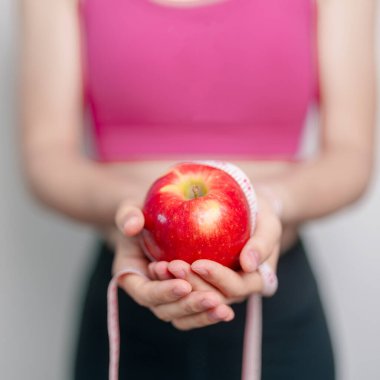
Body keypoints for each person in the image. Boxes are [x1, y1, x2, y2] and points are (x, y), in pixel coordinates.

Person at [20, 0, 376, 379]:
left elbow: (350, 155)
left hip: (278, 309)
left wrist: (270, 204)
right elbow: (47, 156)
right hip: (131, 293)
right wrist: (128, 211)